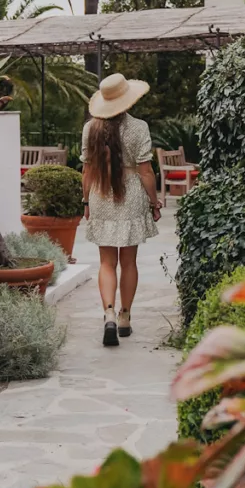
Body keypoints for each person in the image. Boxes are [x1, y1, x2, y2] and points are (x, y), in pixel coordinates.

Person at [81, 73, 162, 347]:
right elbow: (146, 171)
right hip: (130, 196)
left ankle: (108, 314)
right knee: (128, 262)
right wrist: (154, 202)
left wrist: (86, 203)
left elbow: (87, 171)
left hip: (101, 195)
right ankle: (125, 316)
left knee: (106, 262)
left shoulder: (90, 129)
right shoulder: (139, 127)